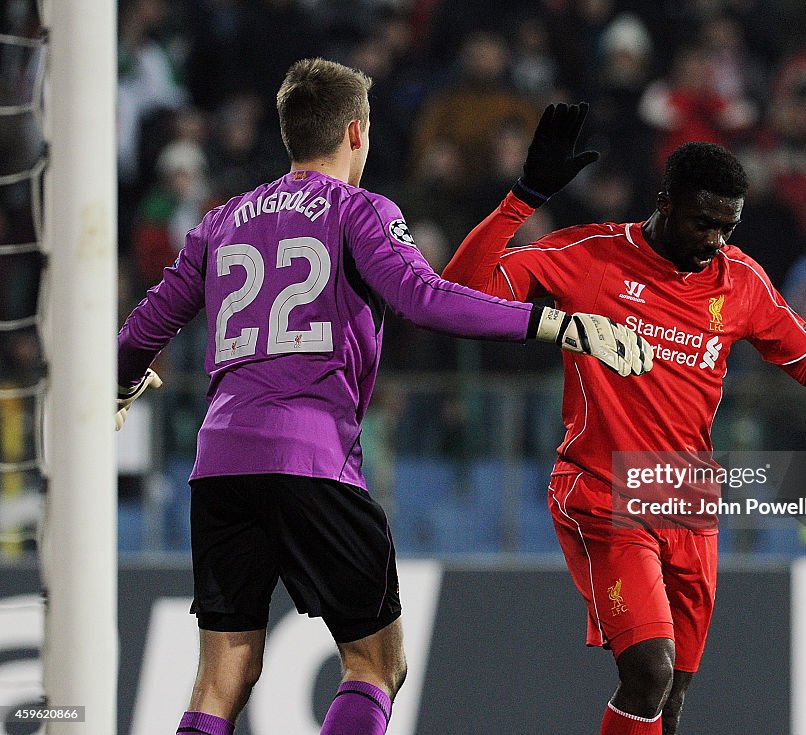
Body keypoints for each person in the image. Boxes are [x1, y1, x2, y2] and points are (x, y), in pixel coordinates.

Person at [114, 61, 653, 735]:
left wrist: (121, 383)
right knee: (376, 661)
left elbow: (144, 326)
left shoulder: (222, 220)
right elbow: (423, 297)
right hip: (312, 456)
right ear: (355, 132)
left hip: (220, 463)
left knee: (223, 672)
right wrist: (557, 323)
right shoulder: (360, 209)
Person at [441, 102, 806, 735]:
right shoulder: (591, 256)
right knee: (647, 673)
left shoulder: (741, 281)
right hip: (605, 491)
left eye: (727, 227)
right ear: (665, 201)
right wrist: (522, 200)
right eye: (703, 222)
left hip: (689, 504)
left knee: (671, 702)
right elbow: (457, 293)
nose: (715, 241)